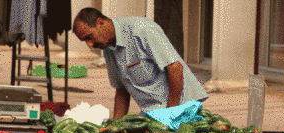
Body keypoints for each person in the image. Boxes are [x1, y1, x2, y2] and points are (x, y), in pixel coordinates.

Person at [72, 8, 207, 120]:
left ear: (100, 23)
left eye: (89, 37)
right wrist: (115, 127)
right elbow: (121, 90)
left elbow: (175, 67)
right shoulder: (108, 50)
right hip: (153, 113)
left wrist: (171, 114)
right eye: (85, 41)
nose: (90, 45)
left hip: (182, 106)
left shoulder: (142, 29)